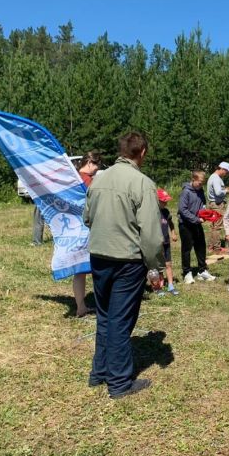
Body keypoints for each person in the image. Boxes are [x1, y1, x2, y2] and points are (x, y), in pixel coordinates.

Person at [84, 132, 165, 399]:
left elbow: (87, 218)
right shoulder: (142, 183)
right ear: (142, 153)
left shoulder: (98, 179)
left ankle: (99, 372)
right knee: (120, 321)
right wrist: (156, 269)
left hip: (99, 256)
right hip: (127, 261)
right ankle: (119, 383)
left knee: (105, 316)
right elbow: (152, 235)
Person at [72, 151, 102, 317]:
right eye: (96, 165)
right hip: (90, 228)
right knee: (98, 267)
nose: (97, 169)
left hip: (75, 230)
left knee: (80, 271)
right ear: (90, 163)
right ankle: (102, 304)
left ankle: (80, 306)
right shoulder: (88, 181)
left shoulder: (73, 178)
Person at [178, 171, 217, 285]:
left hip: (197, 223)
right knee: (186, 249)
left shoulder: (200, 191)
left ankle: (202, 271)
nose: (201, 185)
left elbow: (203, 204)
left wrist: (206, 214)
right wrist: (196, 219)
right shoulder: (186, 192)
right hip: (185, 224)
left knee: (201, 246)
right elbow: (182, 210)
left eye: (202, 183)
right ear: (193, 179)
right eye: (199, 183)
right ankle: (187, 273)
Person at [207, 162, 229, 253]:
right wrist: (226, 191)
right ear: (222, 169)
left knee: (213, 226)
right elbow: (218, 192)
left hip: (213, 204)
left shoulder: (213, 177)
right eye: (226, 172)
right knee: (217, 227)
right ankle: (217, 248)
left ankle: (210, 247)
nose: (226, 174)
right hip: (217, 205)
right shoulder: (216, 179)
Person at [157, 188, 179, 296]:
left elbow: (170, 223)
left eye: (166, 201)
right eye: (163, 201)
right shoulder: (153, 212)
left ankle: (170, 285)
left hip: (166, 242)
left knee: (168, 264)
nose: (165, 203)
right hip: (156, 243)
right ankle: (159, 287)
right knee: (158, 266)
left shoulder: (166, 212)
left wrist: (173, 233)